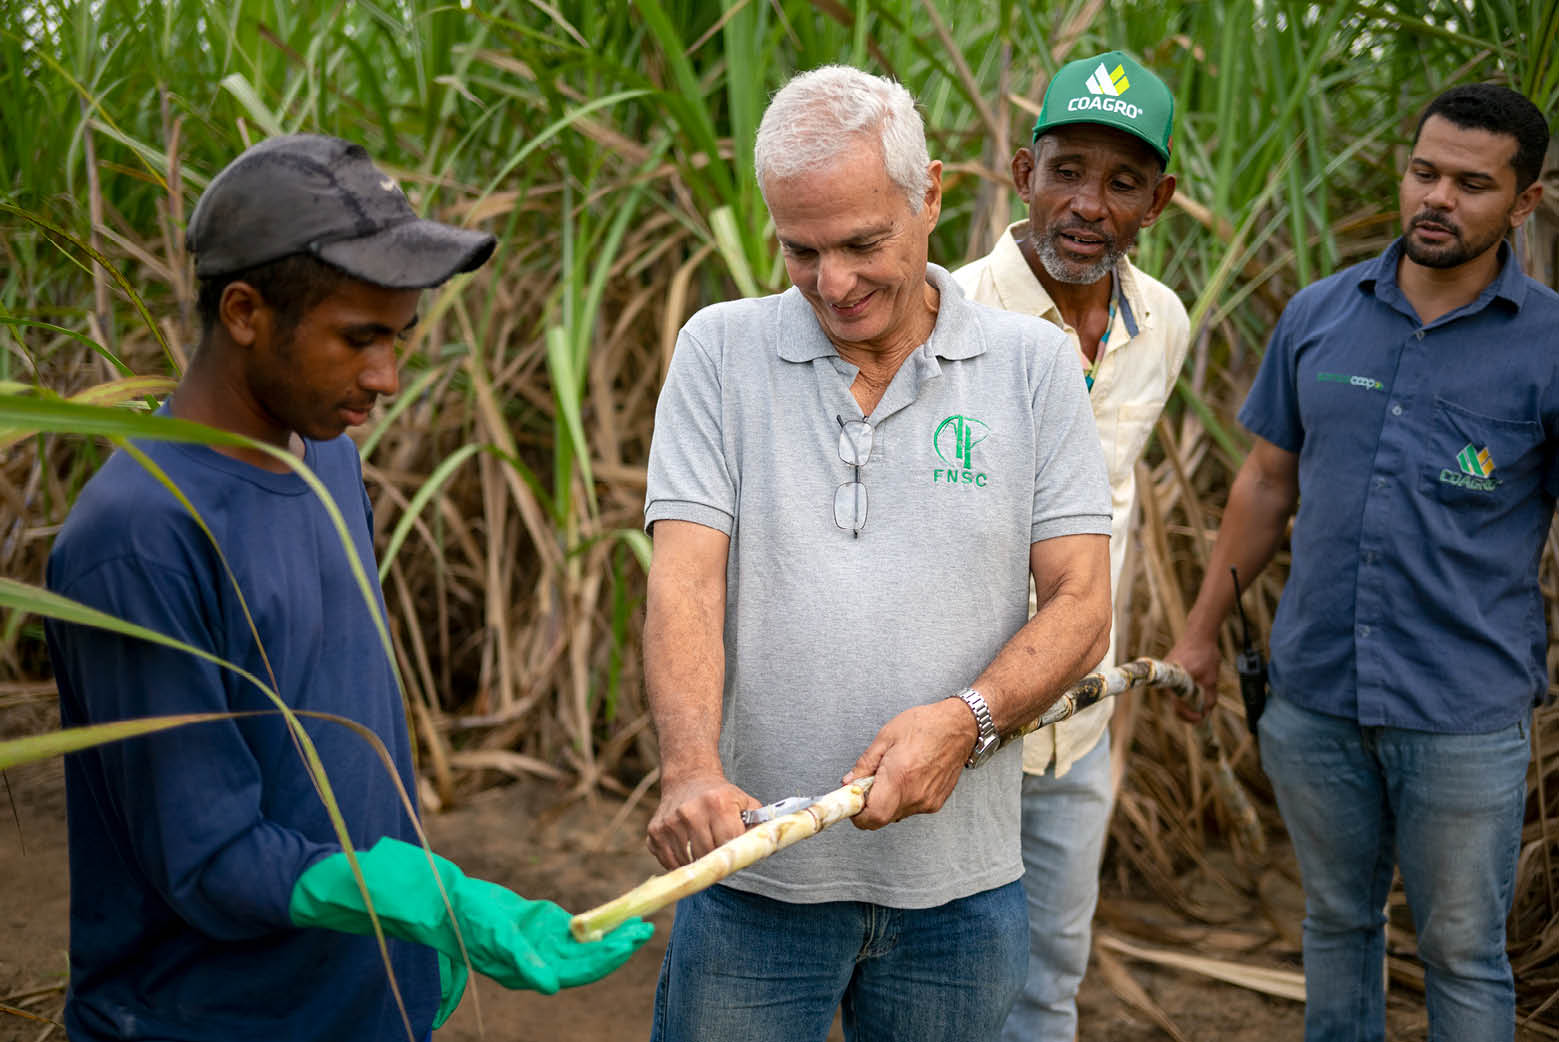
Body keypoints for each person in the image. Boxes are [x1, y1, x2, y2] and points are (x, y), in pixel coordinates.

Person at [44, 134, 651, 1042]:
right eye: (358, 339)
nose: (387, 379)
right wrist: (424, 895)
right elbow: (206, 857)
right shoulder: (140, 536)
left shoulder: (324, 454)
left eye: (400, 338)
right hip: (215, 1021)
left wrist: (410, 946)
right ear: (245, 311)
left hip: (364, 1000)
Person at [640, 65, 1113, 1041]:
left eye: (862, 243)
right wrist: (689, 767)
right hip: (753, 881)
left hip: (960, 890)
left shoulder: (1031, 367)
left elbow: (1079, 600)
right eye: (799, 251)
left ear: (929, 192)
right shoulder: (717, 352)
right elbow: (684, 579)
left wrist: (967, 719)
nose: (834, 283)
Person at [1167, 84, 1554, 1042]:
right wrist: (1200, 632)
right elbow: (1264, 482)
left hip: (1462, 710)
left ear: (1523, 202)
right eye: (1424, 172)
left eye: (1472, 183)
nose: (1437, 198)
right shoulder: (1319, 313)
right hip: (1313, 698)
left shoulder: (1548, 345)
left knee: (1462, 951)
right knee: (1335, 924)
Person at [953, 49, 1188, 1042]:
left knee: (1049, 980)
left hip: (1077, 731)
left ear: (1157, 201)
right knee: (935, 985)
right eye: (1066, 170)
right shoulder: (945, 312)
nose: (1087, 203)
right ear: (1021, 172)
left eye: (1121, 181)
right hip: (957, 724)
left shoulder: (1161, 323)